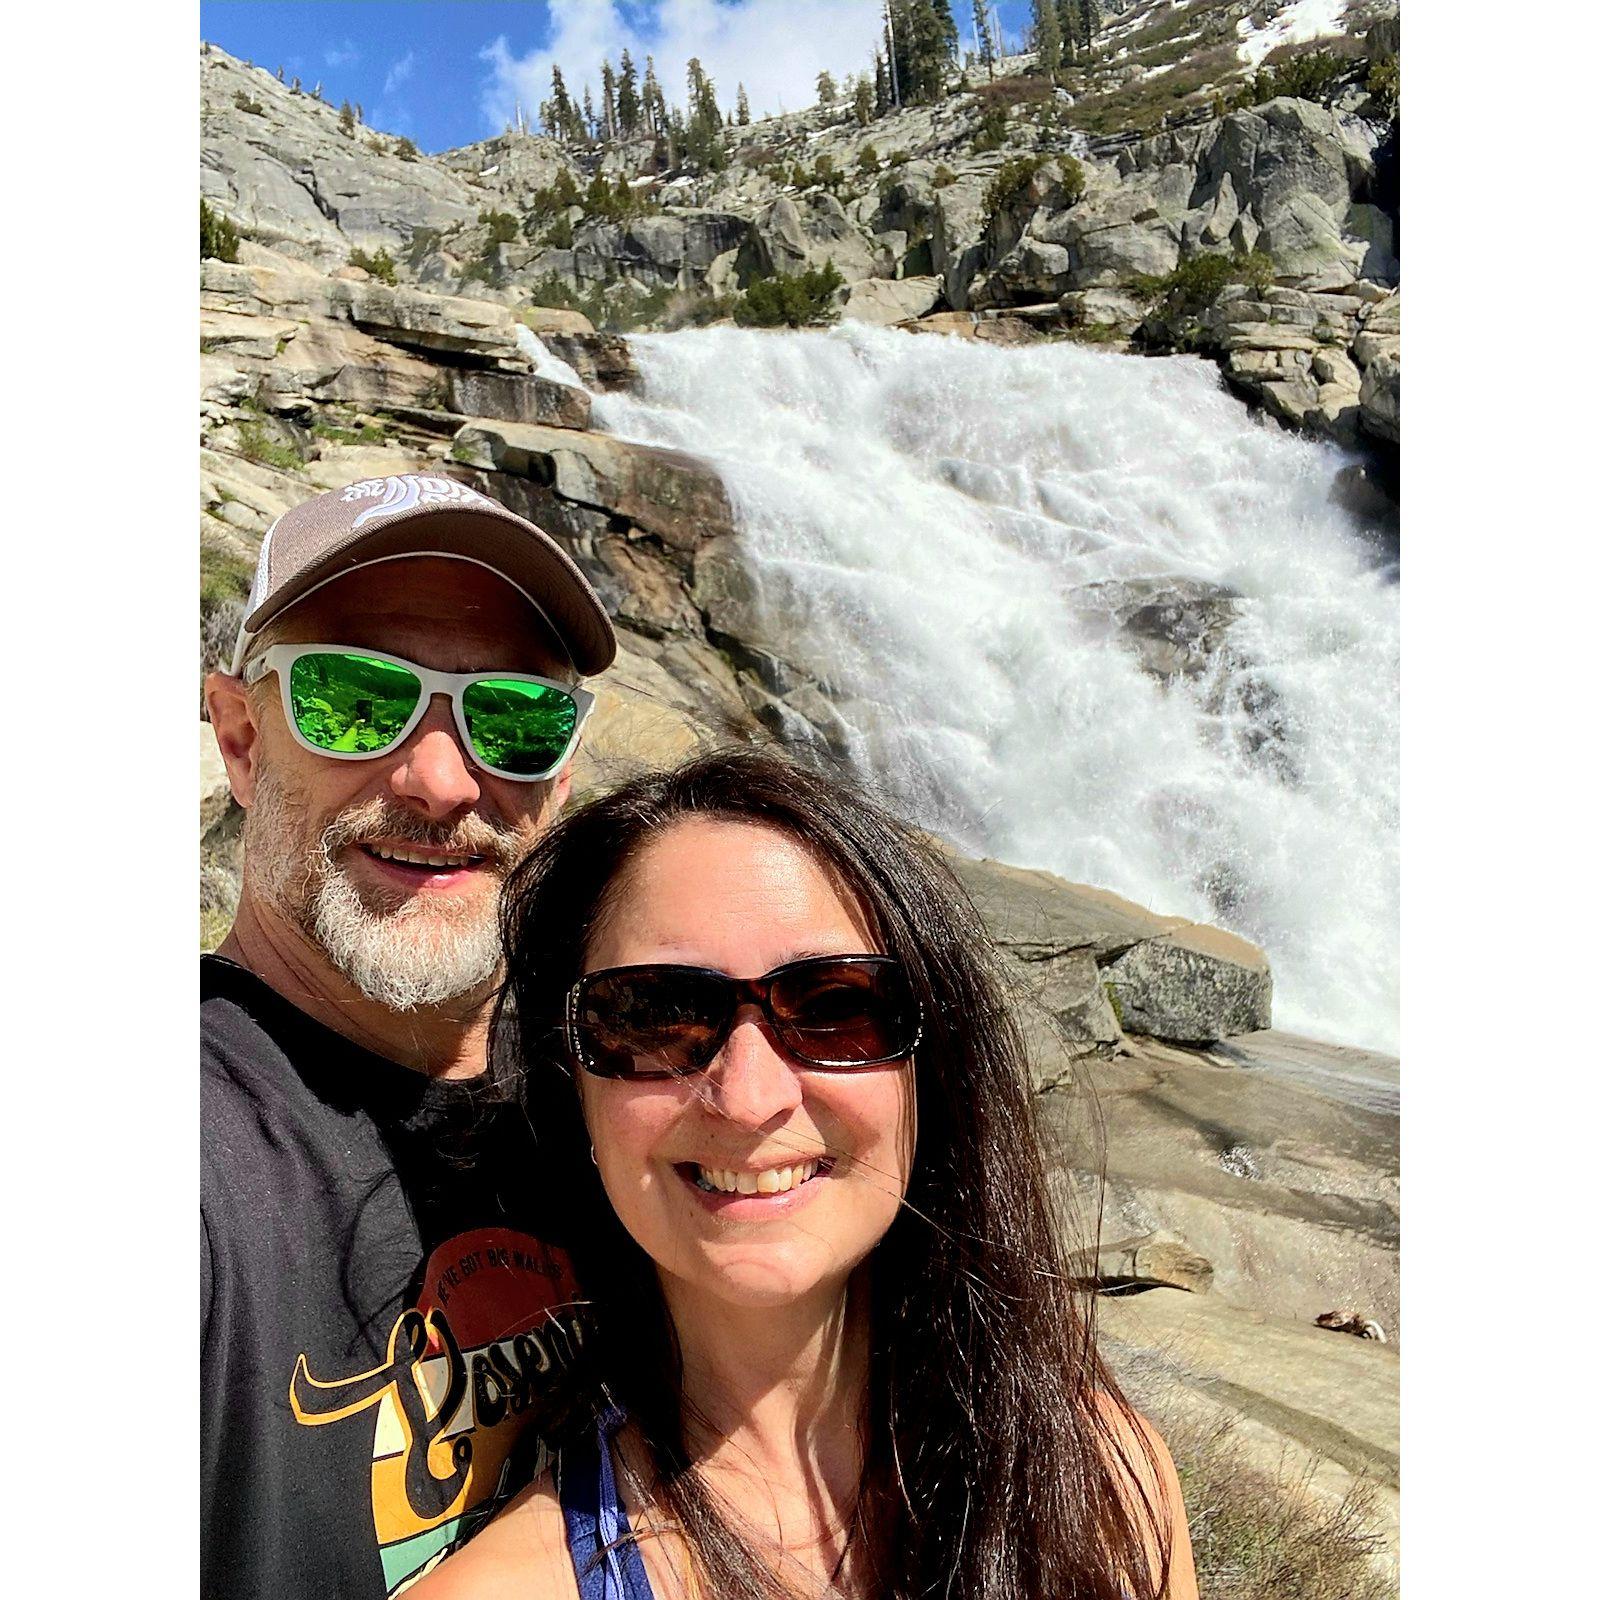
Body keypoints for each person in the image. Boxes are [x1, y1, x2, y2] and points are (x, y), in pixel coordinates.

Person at [413, 747, 1199, 1600]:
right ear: (576, 1090)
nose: (748, 1100)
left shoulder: (1106, 1482)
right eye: (652, 1014)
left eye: (836, 1007)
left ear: (933, 1072)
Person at [201, 474, 617, 1599]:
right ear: (242, 739)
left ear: (562, 778)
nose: (440, 781)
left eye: (515, 718)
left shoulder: (636, 1091)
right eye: (353, 697)